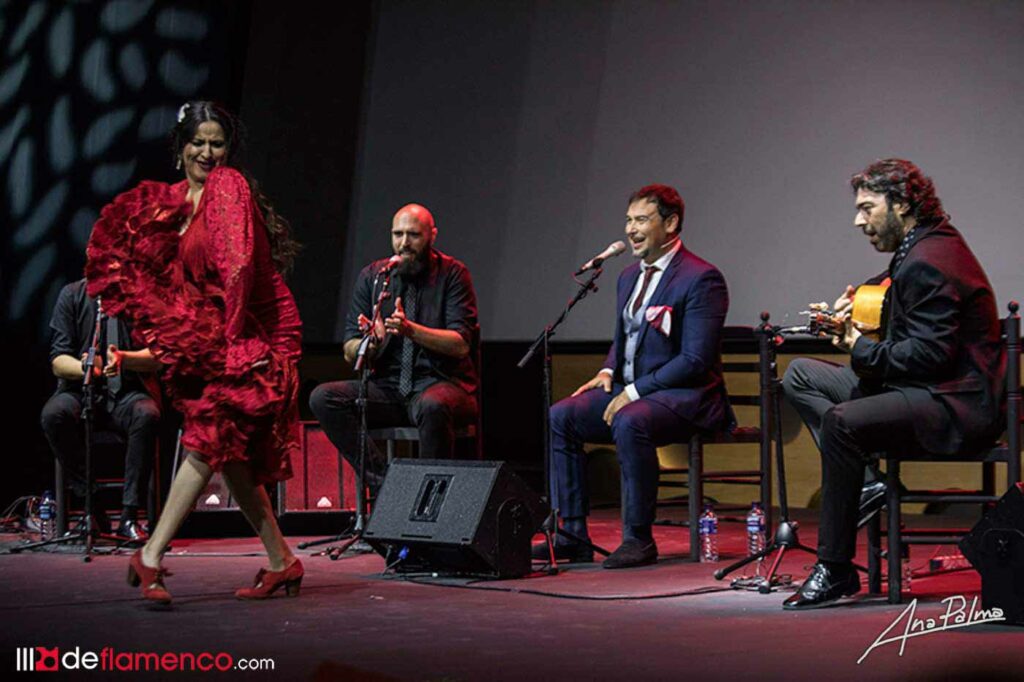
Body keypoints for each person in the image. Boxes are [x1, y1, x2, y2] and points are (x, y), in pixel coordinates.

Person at [86, 101, 304, 604]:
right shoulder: (174, 201)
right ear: (181, 146)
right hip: (217, 331)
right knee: (226, 451)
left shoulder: (229, 187)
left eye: (218, 143)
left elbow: (239, 269)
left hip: (257, 328)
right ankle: (282, 562)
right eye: (198, 142)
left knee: (211, 434)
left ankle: (150, 555)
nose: (208, 152)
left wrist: (227, 344)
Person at [782, 159, 1006, 610]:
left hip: (953, 404)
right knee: (800, 374)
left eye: (867, 208)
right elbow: (899, 289)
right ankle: (867, 481)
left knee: (843, 423)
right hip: (928, 390)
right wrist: (857, 303)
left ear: (902, 203)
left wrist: (857, 346)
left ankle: (836, 568)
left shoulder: (930, 259)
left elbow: (929, 356)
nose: (858, 221)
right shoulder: (926, 244)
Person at [536, 184, 733, 569]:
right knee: (562, 416)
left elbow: (696, 359)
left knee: (629, 419)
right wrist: (608, 370)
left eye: (641, 220)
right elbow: (624, 336)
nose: (630, 229)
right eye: (628, 220)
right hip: (636, 392)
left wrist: (637, 391)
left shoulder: (702, 278)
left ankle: (638, 538)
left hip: (689, 397)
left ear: (671, 223)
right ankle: (571, 535)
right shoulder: (628, 276)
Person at [309, 204, 478, 486]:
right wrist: (371, 343)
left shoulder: (453, 275)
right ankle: (389, 486)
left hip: (440, 384)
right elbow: (350, 348)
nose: (404, 243)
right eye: (397, 234)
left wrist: (411, 331)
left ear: (432, 236)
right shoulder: (374, 277)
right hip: (389, 389)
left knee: (432, 406)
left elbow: (460, 344)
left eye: (413, 235)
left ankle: (427, 498)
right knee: (323, 398)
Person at [40, 278, 161, 541]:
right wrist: (86, 369)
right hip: (81, 394)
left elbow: (159, 356)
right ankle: (91, 507)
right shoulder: (72, 295)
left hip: (127, 394)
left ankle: (129, 515)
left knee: (147, 413)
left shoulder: (141, 295)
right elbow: (58, 360)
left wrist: (124, 359)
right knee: (54, 414)